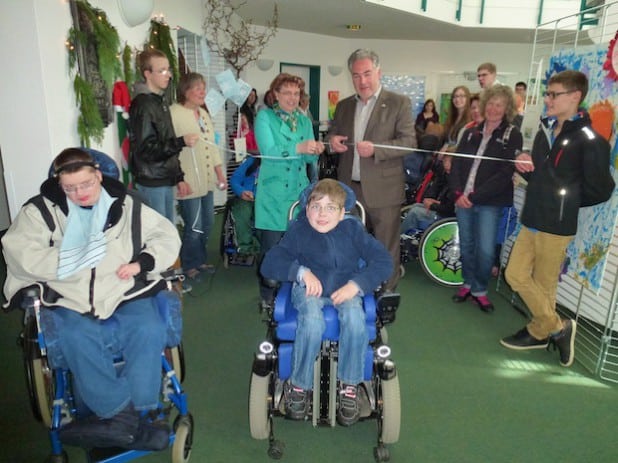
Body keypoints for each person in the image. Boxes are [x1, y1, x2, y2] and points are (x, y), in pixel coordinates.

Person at [2, 148, 181, 450]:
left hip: (123, 286)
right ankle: (123, 415)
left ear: (98, 175)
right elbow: (18, 251)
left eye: (86, 184)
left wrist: (143, 263)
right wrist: (67, 260)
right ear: (59, 183)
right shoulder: (40, 211)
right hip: (68, 292)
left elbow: (166, 236)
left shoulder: (128, 205)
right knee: (75, 333)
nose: (79, 193)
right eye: (69, 188)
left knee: (148, 327)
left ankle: (140, 412)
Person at [500, 70, 615, 367]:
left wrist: (566, 201)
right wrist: (527, 166)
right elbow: (543, 173)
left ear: (575, 97)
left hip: (557, 225)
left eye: (554, 94)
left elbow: (602, 188)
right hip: (533, 217)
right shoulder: (544, 130)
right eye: (548, 94)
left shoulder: (590, 139)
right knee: (515, 275)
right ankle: (557, 327)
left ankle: (540, 333)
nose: (547, 100)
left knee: (544, 283)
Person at [261, 179, 393, 426]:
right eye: (316, 206)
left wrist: (357, 284)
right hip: (310, 290)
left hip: (346, 289)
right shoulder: (299, 231)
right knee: (311, 321)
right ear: (306, 208)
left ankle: (350, 386)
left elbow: (383, 261)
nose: (322, 214)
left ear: (343, 213)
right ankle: (299, 386)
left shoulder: (353, 231)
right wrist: (300, 272)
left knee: (355, 319)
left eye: (331, 208)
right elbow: (270, 262)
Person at [328, 48, 416, 291]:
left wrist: (377, 149)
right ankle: (350, 290)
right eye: (356, 76)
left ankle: (385, 293)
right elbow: (332, 134)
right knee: (349, 242)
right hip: (349, 189)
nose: (362, 81)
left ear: (379, 72)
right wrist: (332, 141)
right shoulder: (344, 106)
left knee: (386, 245)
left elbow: (409, 142)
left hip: (384, 190)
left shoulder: (399, 102)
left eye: (367, 73)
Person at [449, 85, 522, 313]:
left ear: (507, 108)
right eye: (490, 103)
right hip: (463, 200)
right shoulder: (471, 131)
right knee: (467, 245)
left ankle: (480, 289)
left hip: (489, 202)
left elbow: (504, 172)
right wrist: (459, 193)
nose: (493, 108)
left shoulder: (512, 135)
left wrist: (474, 196)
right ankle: (468, 283)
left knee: (486, 251)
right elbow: (457, 163)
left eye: (499, 104)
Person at [254, 73, 323, 308]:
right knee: (271, 248)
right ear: (276, 94)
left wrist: (314, 149)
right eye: (287, 93)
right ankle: (267, 295)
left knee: (298, 246)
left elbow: (306, 156)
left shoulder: (303, 120)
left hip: (298, 192)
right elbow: (269, 150)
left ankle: (294, 290)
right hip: (273, 194)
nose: (293, 98)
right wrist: (299, 146)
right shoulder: (264, 117)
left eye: (296, 93)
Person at [128, 49, 199, 223]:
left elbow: (166, 141)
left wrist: (178, 177)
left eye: (168, 70)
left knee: (168, 235)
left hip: (164, 180)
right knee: (159, 238)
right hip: (152, 182)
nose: (168, 75)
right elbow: (147, 149)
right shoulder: (143, 104)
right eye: (161, 71)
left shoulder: (160, 102)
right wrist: (181, 141)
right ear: (147, 74)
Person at [170, 72, 227, 281]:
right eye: (197, 88)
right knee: (193, 228)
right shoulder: (174, 114)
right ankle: (189, 265)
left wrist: (220, 173)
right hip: (188, 181)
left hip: (206, 180)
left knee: (208, 223)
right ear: (186, 91)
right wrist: (178, 179)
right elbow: (169, 150)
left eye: (203, 87)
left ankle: (200, 260)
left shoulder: (203, 114)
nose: (202, 92)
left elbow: (212, 148)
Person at [400, 157, 454, 234]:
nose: (444, 164)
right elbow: (437, 187)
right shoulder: (445, 174)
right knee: (415, 206)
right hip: (442, 207)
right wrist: (430, 199)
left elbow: (450, 208)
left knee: (415, 212)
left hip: (446, 216)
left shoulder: (457, 181)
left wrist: (433, 205)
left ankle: (403, 237)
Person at [229, 156, 261, 255]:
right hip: (246, 197)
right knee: (243, 212)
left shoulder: (280, 163)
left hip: (268, 201)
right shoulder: (251, 161)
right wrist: (241, 192)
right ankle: (245, 247)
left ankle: (262, 245)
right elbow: (235, 179)